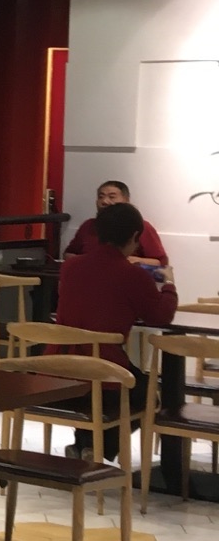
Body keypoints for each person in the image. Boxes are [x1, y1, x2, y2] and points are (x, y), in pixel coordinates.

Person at [57, 199, 177, 458]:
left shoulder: (70, 267)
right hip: (104, 374)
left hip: (58, 369)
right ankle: (97, 448)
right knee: (147, 396)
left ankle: (86, 446)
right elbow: (160, 317)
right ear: (134, 236)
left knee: (100, 387)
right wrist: (169, 285)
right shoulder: (132, 275)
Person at [65, 180, 168, 266]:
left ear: (126, 200)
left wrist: (135, 261)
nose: (104, 201)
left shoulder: (140, 226)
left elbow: (161, 262)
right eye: (101, 197)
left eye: (112, 197)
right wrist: (87, 260)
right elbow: (68, 254)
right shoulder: (88, 225)